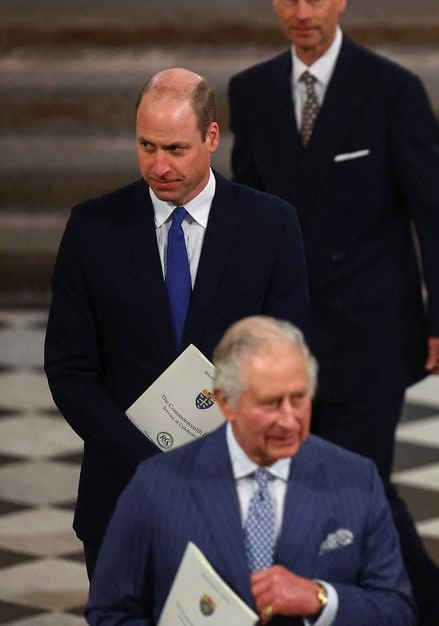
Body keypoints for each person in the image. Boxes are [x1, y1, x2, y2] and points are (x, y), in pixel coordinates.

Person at [228, 0, 439, 621]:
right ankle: (407, 602)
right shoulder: (251, 90)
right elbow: (247, 214)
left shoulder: (391, 88)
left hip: (372, 330)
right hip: (287, 336)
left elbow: (435, 207)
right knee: (317, 481)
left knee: (354, 479)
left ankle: (420, 603)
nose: (302, 10)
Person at [44, 68, 310, 579]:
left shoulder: (270, 226)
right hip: (122, 496)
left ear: (211, 137)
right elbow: (70, 370)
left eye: (175, 148)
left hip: (236, 496)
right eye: (146, 146)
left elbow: (289, 357)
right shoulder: (93, 229)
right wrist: (148, 462)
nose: (158, 165)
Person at [86, 316, 414, 625]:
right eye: (270, 403)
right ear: (225, 402)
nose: (288, 420)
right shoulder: (157, 485)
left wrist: (320, 599)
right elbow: (112, 610)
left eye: (298, 398)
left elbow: (397, 611)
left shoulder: (355, 479)